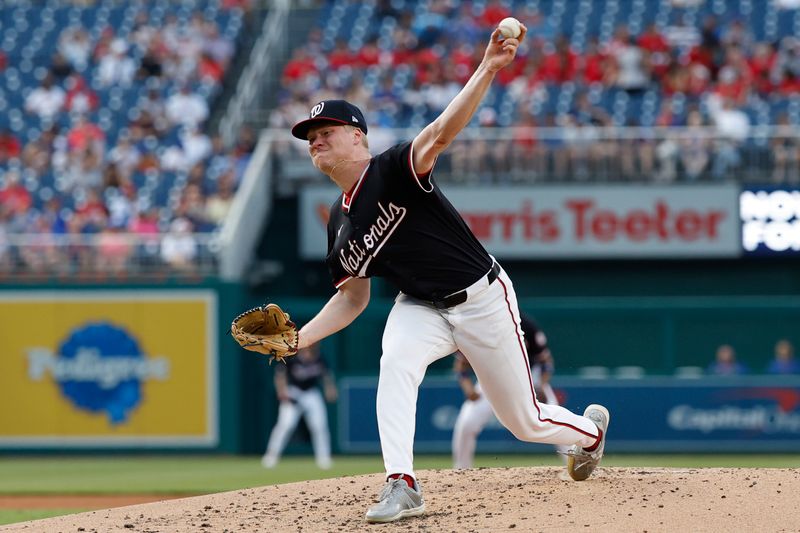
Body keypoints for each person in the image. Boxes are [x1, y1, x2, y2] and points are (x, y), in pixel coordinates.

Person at [288, 23, 609, 524]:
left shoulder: (392, 168)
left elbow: (440, 133)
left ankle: (589, 433)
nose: (315, 142)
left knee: (522, 421)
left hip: (481, 296)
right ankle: (402, 484)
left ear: (358, 137)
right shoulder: (337, 220)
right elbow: (353, 299)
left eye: (325, 132)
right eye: (311, 138)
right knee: (394, 362)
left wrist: (486, 68)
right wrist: (299, 339)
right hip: (419, 305)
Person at [452, 314, 569, 469]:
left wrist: (541, 384)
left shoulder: (526, 325)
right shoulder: (481, 325)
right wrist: (468, 388)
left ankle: (575, 465)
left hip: (528, 377)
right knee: (467, 424)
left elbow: (546, 361)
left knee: (556, 416)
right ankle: (461, 470)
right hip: (491, 377)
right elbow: (461, 364)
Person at [261, 343, 338, 470]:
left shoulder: (319, 357)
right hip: (294, 392)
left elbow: (327, 375)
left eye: (312, 347)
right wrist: (282, 390)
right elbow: (280, 374)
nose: (309, 349)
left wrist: (330, 389)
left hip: (311, 393)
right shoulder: (292, 357)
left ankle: (324, 458)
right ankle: (271, 456)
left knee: (319, 426)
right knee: (285, 425)